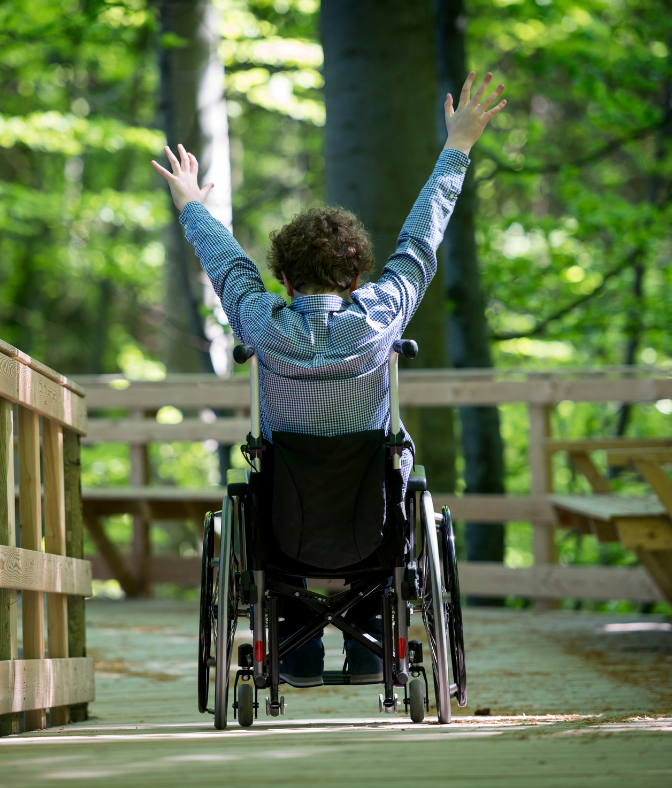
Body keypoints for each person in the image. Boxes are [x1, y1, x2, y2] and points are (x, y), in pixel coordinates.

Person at [152, 71, 506, 688]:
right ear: (356, 276)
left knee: (267, 496)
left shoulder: (261, 321)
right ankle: (372, 652)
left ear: (283, 279)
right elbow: (422, 239)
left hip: (286, 527)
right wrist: (458, 148)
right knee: (388, 489)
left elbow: (227, 263)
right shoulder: (382, 313)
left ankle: (296, 654)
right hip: (370, 518)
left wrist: (191, 206)